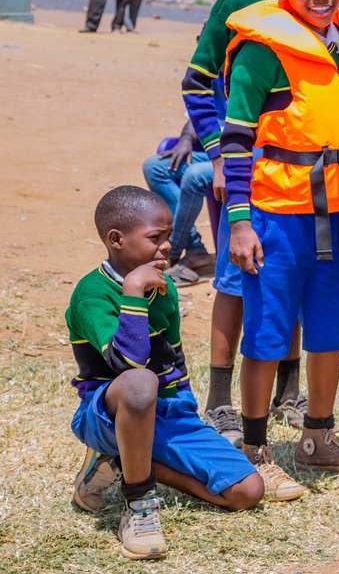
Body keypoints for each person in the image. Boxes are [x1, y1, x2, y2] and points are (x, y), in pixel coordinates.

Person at [222, 0, 339, 493]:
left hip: (337, 212)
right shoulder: (261, 50)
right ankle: (254, 445)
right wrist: (240, 221)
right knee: (267, 331)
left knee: (331, 328)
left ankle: (317, 436)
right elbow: (237, 141)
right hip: (276, 214)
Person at [180, 0, 332, 448]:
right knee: (235, 278)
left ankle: (288, 393)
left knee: (287, 279)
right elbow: (197, 83)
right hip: (246, 174)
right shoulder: (239, 3)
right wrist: (219, 155)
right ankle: (220, 399)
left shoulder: (322, 7)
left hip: (305, 183)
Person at [67, 187, 269, 560]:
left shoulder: (166, 288)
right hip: (107, 416)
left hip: (166, 415)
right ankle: (140, 501)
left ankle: (118, 461)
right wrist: (132, 290)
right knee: (141, 382)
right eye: (155, 238)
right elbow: (126, 363)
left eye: (169, 236)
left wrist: (186, 413)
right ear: (116, 240)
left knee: (247, 492)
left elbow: (174, 363)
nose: (167, 247)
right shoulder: (91, 293)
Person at [141, 121, 214, 284]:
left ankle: (170, 252)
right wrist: (186, 138)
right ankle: (195, 248)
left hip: (245, 157)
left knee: (194, 175)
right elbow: (201, 112)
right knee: (153, 167)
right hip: (214, 153)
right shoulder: (216, 94)